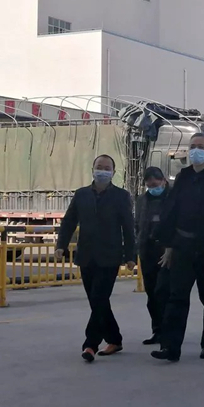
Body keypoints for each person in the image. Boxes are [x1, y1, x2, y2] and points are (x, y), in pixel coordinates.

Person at [151, 133, 204, 362]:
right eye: (192, 146)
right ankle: (171, 348)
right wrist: (169, 244)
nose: (195, 150)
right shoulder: (183, 177)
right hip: (183, 245)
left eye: (200, 146)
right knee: (176, 297)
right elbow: (172, 211)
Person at [55, 154, 136, 363]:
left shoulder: (121, 196)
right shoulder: (81, 194)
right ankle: (115, 339)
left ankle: (90, 345)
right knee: (97, 301)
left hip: (110, 257)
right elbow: (69, 221)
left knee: (99, 298)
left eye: (107, 168)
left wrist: (130, 256)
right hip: (86, 256)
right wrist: (61, 246)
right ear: (93, 169)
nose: (103, 170)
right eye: (99, 166)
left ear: (113, 172)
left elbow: (128, 228)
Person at [135, 166, 171, 346]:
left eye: (156, 184)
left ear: (163, 181)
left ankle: (169, 332)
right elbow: (137, 224)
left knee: (165, 293)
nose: (153, 188)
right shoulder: (142, 200)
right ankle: (157, 330)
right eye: (149, 185)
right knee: (152, 295)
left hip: (167, 252)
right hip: (147, 251)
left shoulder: (173, 198)